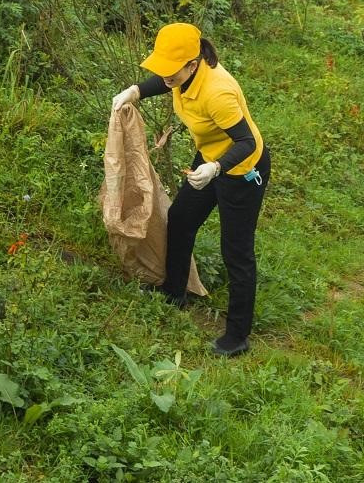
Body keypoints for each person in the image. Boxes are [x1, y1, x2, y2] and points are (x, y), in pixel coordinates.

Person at [112, 22, 268, 358]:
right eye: (162, 68)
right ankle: (174, 292)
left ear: (193, 64)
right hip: (209, 160)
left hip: (241, 170)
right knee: (181, 219)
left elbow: (246, 141)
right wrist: (135, 91)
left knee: (236, 251)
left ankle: (237, 336)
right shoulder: (184, 76)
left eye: (172, 70)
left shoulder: (217, 92)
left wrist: (216, 169)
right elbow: (165, 81)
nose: (165, 76)